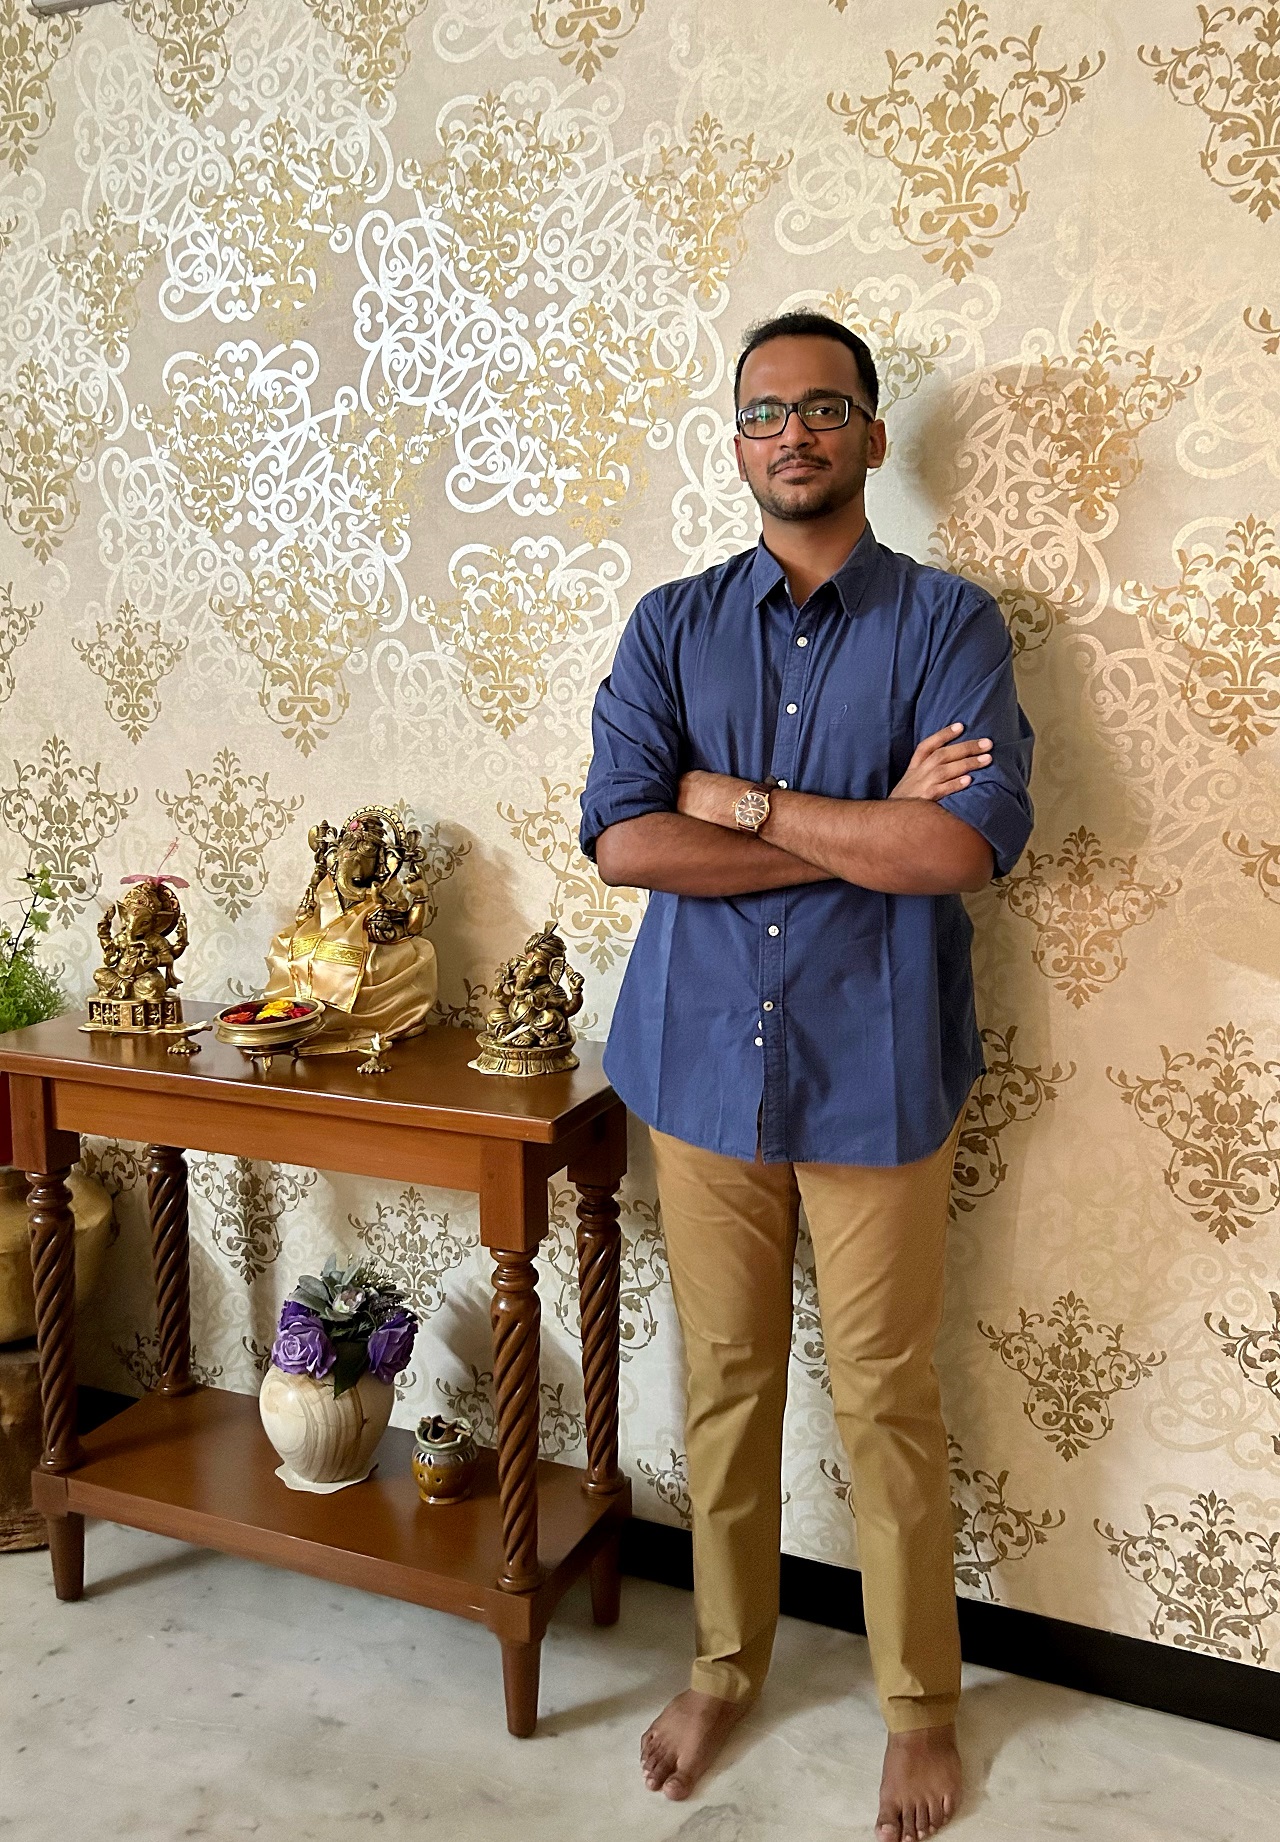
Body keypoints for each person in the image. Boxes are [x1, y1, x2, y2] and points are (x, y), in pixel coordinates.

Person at [579, 311, 1034, 1842]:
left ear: (872, 436)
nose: (795, 433)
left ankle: (918, 1703)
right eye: (767, 412)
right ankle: (723, 1664)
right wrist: (857, 824)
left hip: (877, 1069)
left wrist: (746, 802)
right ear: (736, 444)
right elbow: (625, 837)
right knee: (724, 1384)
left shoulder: (950, 625)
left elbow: (957, 848)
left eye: (825, 406)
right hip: (698, 1063)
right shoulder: (670, 626)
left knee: (888, 1394)